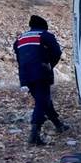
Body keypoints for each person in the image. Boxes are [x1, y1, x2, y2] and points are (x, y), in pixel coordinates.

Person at [13, 15, 69, 145]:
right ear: (44, 26)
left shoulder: (20, 39)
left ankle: (58, 125)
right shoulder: (44, 35)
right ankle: (34, 134)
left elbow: (19, 55)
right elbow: (57, 52)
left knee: (42, 99)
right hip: (41, 71)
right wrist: (49, 65)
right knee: (42, 100)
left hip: (25, 74)